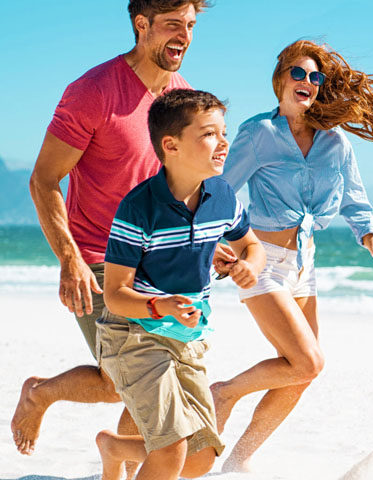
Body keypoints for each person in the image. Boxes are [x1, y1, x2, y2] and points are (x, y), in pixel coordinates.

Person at [14, 0, 212, 457]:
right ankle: (39, 394)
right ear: (142, 26)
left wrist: (206, 241)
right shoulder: (94, 91)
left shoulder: (183, 99)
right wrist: (70, 261)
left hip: (160, 263)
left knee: (142, 379)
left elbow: (178, 186)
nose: (183, 35)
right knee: (133, 379)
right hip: (100, 259)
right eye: (171, 25)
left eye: (190, 25)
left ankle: (118, 459)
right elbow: (44, 180)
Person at [210, 39, 373, 472]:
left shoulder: (335, 143)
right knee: (307, 359)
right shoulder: (259, 133)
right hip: (261, 260)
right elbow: (220, 189)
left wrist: (370, 240)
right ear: (280, 79)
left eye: (315, 77)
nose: (306, 82)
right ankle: (223, 392)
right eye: (298, 73)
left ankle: (237, 462)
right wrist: (213, 241)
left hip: (304, 263)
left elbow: (355, 198)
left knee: (303, 372)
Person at [94, 89, 265, 480]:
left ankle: (115, 446)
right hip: (134, 333)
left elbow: (250, 245)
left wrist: (249, 267)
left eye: (224, 133)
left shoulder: (222, 196)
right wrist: (161, 306)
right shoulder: (139, 208)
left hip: (187, 335)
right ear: (170, 145)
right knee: (170, 450)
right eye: (209, 134)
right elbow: (116, 295)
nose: (223, 143)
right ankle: (128, 450)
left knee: (200, 457)